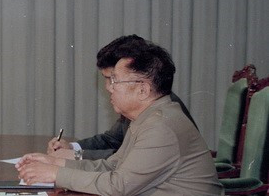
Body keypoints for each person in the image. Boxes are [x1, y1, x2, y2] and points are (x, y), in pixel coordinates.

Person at [17, 41, 223, 196]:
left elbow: (118, 185)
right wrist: (57, 162)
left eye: (115, 80)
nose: (109, 88)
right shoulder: (148, 119)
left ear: (143, 89)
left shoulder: (162, 126)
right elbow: (111, 165)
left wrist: (57, 175)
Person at [48, 35, 197, 160]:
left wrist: (75, 155)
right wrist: (71, 147)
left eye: (113, 79)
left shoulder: (162, 115)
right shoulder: (136, 105)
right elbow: (111, 140)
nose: (108, 87)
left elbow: (125, 160)